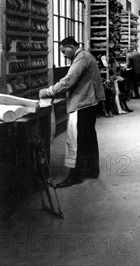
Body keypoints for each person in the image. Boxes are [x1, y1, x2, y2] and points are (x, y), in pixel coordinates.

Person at [39, 36, 105, 188]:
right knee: (88, 138)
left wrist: (48, 92)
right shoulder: (85, 56)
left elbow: (69, 80)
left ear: (71, 47)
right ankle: (92, 169)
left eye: (64, 51)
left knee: (78, 141)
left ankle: (75, 175)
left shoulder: (81, 57)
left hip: (84, 104)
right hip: (90, 102)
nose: (63, 55)